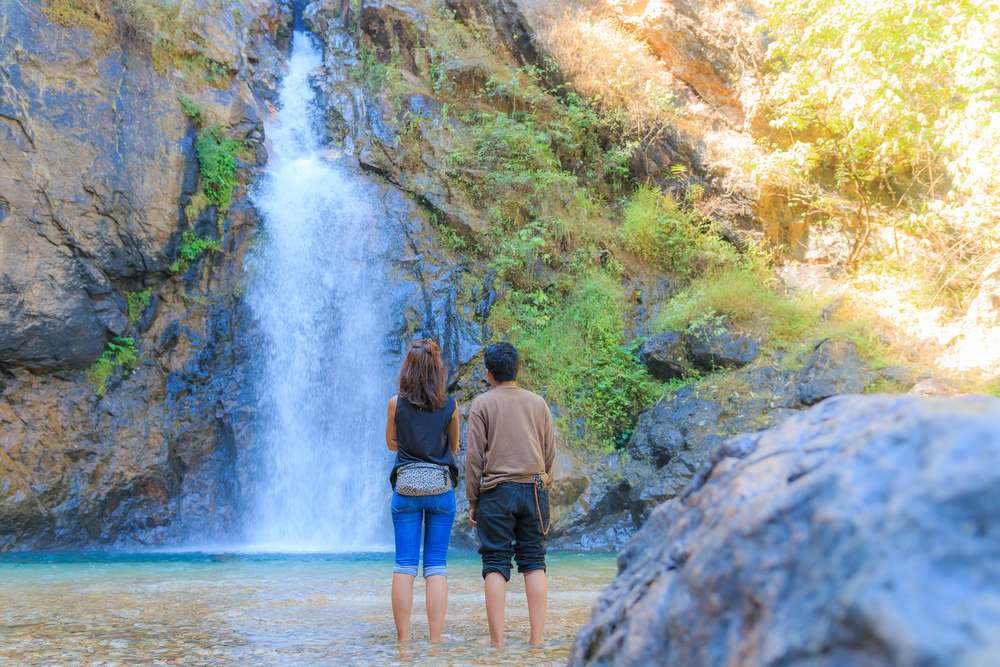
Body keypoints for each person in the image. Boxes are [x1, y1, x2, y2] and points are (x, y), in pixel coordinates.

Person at [465, 342, 556, 647]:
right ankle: (537, 641)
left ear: (489, 373)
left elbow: (474, 458)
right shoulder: (538, 403)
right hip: (533, 487)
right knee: (534, 561)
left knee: (495, 563)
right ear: (517, 369)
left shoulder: (482, 404)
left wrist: (473, 501)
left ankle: (497, 643)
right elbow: (549, 452)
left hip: (495, 492)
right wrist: (544, 482)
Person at [385, 339, 460, 643]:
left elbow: (392, 443)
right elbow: (453, 448)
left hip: (406, 489)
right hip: (441, 490)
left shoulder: (395, 404)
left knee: (404, 564)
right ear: (437, 371)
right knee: (436, 566)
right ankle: (435, 641)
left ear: (408, 369)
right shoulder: (450, 405)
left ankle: (403, 642)